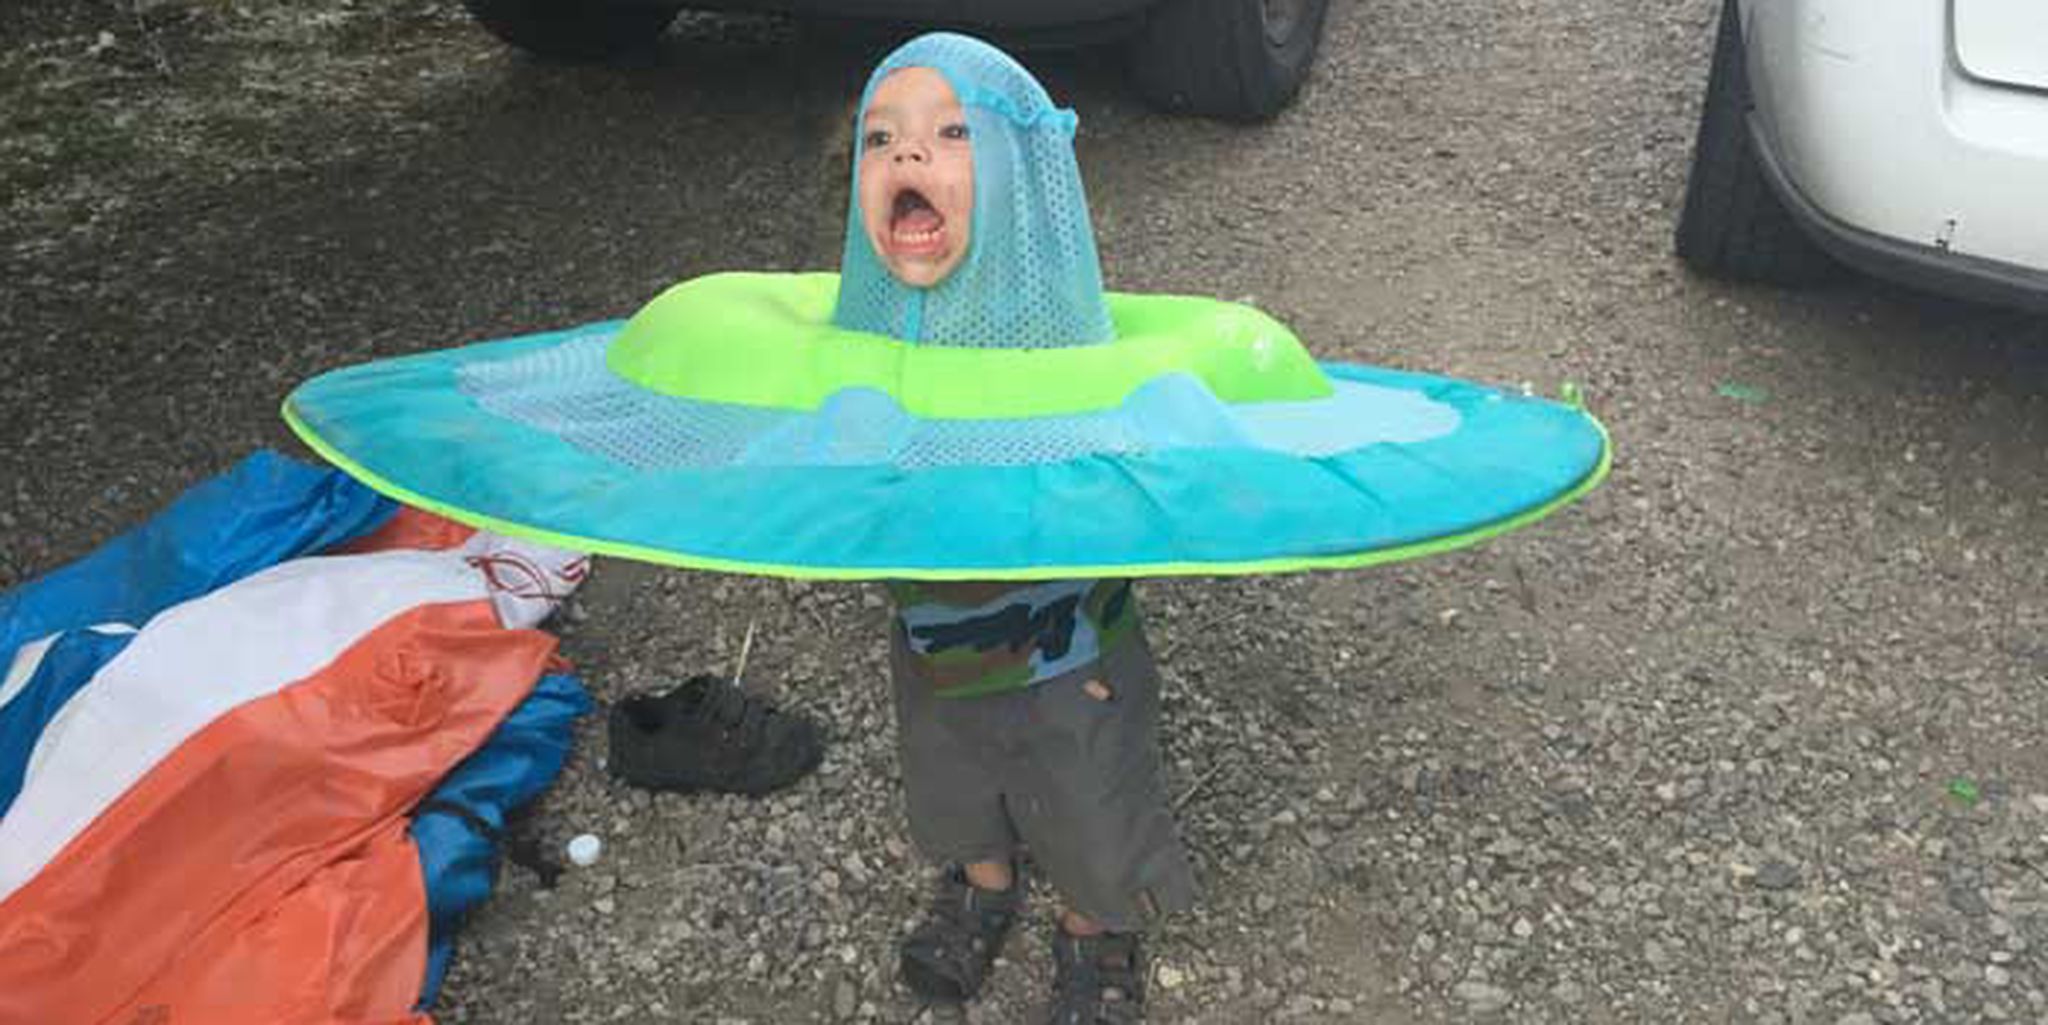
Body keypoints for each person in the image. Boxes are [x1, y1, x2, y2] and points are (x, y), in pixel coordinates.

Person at [833, 35, 1195, 1024]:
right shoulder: (863, 346)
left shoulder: (1056, 342)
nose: (907, 158)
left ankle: (1095, 926)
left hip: (1068, 650)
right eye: (880, 139)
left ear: (1017, 176)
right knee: (950, 781)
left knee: (1089, 799)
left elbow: (1132, 484)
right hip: (933, 641)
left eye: (951, 134)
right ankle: (983, 883)